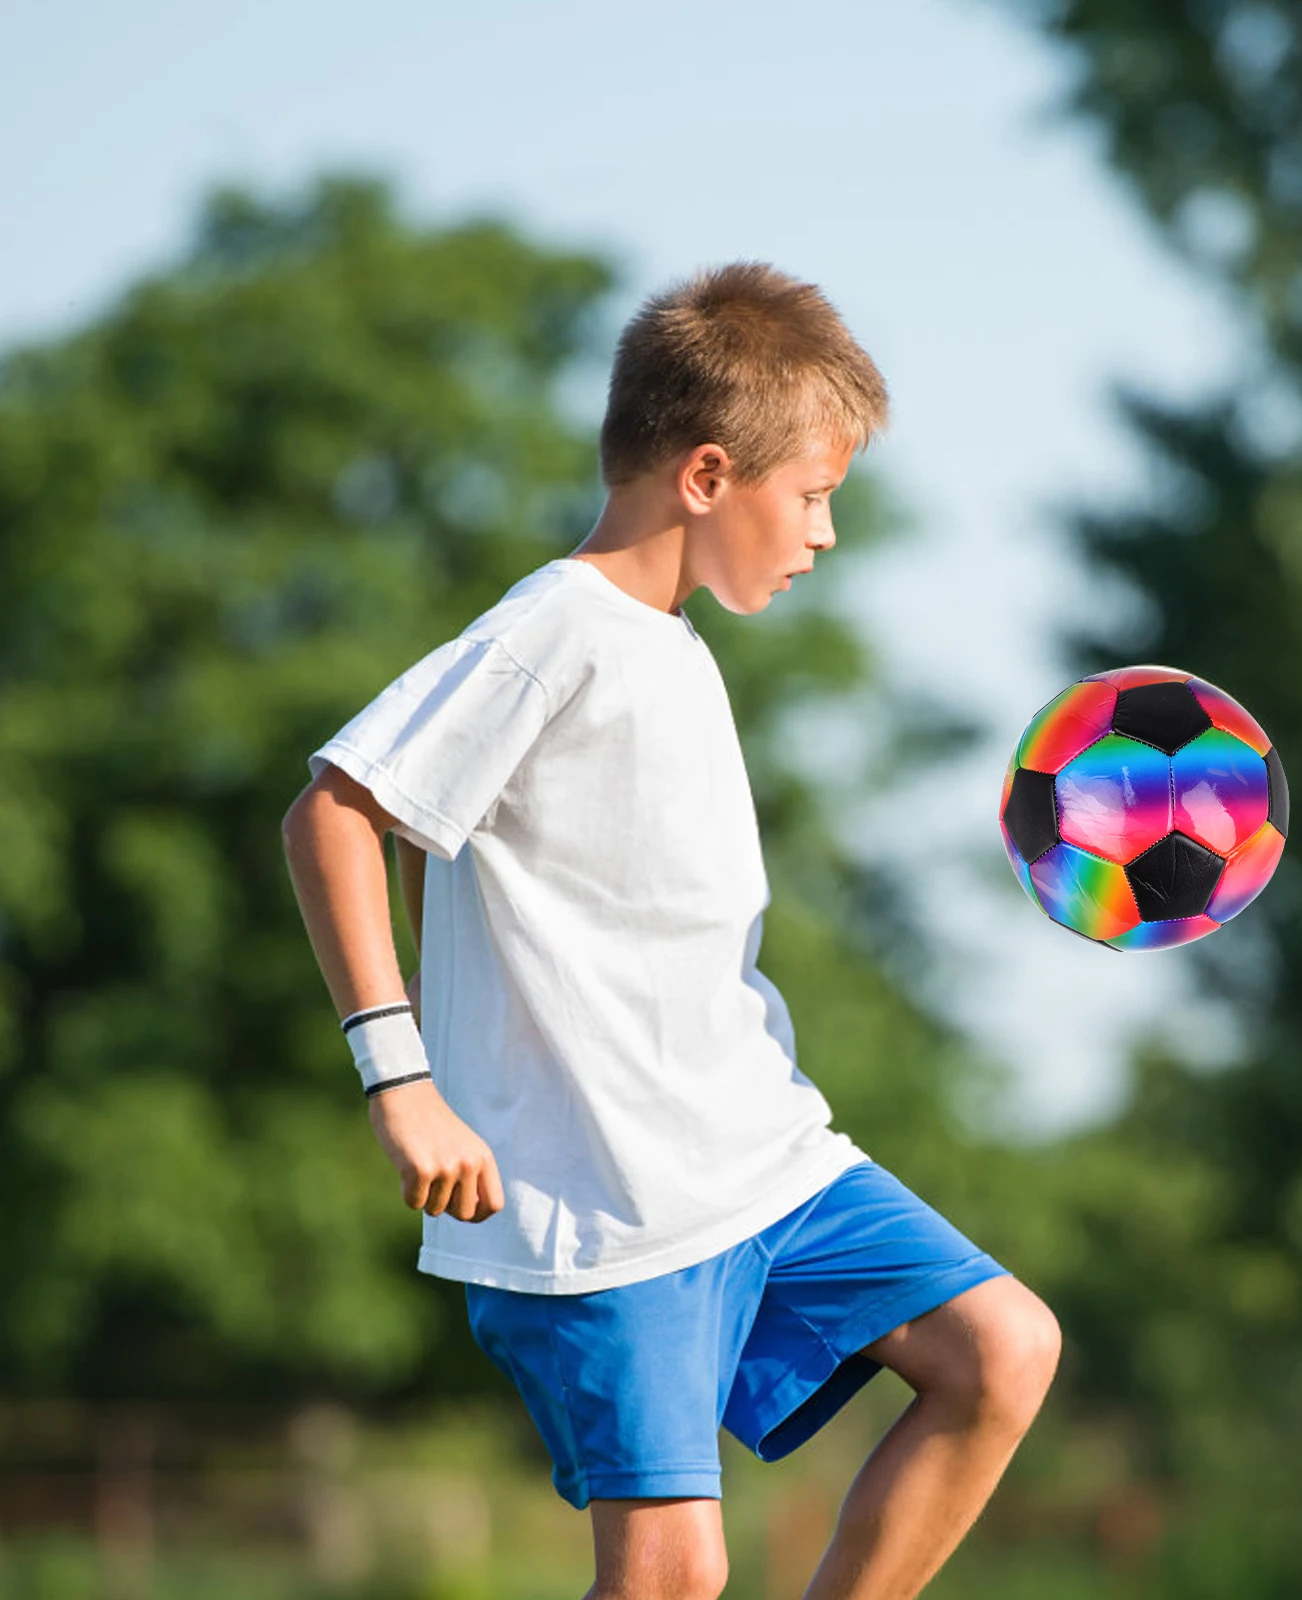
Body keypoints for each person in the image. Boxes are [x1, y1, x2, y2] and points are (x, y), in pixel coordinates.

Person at [280, 261, 1060, 1600]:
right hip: (599, 1209)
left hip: (758, 1161)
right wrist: (406, 1077)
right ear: (707, 475)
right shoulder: (554, 628)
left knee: (1003, 1350)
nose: (825, 533)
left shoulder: (674, 644)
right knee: (670, 1577)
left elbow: (462, 851)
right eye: (811, 495)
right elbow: (339, 813)